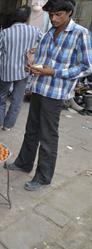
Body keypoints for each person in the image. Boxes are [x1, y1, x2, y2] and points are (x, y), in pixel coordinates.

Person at [7, 0, 92, 191]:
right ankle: (23, 163)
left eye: (58, 15)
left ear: (69, 12)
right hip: (39, 88)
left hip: (55, 93)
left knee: (48, 136)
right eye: (51, 15)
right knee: (31, 130)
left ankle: (43, 177)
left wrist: (54, 72)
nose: (53, 18)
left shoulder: (80, 33)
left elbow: (86, 67)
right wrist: (32, 61)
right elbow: (41, 59)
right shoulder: (48, 33)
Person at [0, 6, 42, 131]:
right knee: (17, 100)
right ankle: (8, 125)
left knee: (1, 97)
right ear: (27, 18)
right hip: (24, 70)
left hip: (7, 71)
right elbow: (47, 43)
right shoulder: (34, 30)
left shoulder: (6, 32)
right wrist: (35, 50)